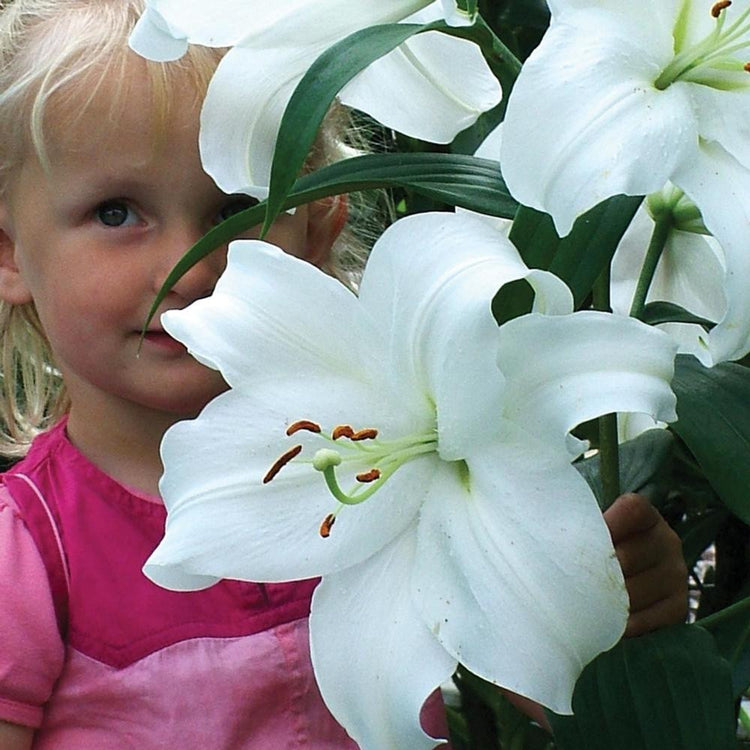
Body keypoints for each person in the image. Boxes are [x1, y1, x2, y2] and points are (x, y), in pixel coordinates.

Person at [0, 1, 687, 747]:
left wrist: (601, 594)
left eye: (236, 208)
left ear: (320, 227)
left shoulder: (422, 450)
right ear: (8, 254)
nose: (189, 269)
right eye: (114, 213)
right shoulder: (28, 556)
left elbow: (540, 672)